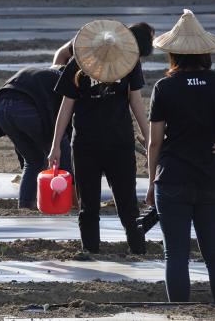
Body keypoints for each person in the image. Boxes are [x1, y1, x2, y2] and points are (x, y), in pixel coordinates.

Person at [48, 19, 153, 255]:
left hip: (121, 143)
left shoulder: (129, 61)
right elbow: (66, 106)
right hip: (85, 144)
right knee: (88, 206)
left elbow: (136, 102)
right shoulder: (79, 63)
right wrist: (55, 145)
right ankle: (91, 252)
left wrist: (149, 140)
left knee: (128, 205)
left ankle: (138, 251)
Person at [147, 9, 215, 302]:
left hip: (173, 176)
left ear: (173, 53)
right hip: (211, 176)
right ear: (205, 52)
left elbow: (155, 142)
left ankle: (179, 310)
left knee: (176, 253)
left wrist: (152, 182)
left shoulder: (164, 87)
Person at [0, 63, 72, 209]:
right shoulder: (64, 81)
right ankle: (67, 203)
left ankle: (25, 207)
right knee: (63, 151)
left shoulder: (41, 73)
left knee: (33, 161)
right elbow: (66, 122)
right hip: (25, 108)